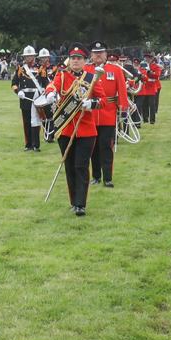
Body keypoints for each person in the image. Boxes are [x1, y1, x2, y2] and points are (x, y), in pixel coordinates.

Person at [42, 47, 100, 216]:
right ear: (69, 60)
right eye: (73, 58)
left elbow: (103, 100)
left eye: (79, 58)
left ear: (84, 61)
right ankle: (73, 201)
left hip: (86, 130)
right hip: (65, 128)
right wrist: (51, 93)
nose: (75, 61)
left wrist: (92, 103)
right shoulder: (62, 76)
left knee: (81, 166)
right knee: (69, 166)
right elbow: (51, 86)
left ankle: (81, 204)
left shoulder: (91, 78)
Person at [88, 42, 129, 188]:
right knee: (92, 147)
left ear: (106, 54)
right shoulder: (86, 70)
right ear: (91, 55)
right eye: (95, 53)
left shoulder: (115, 70)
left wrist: (123, 108)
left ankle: (107, 178)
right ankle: (96, 176)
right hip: (91, 113)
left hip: (108, 113)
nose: (98, 55)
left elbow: (122, 89)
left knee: (106, 146)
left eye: (101, 52)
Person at [11, 45, 45, 151]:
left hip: (36, 98)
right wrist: (18, 91)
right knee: (27, 122)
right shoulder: (20, 68)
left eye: (30, 56)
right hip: (25, 98)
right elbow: (14, 84)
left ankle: (36, 145)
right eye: (27, 56)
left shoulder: (40, 68)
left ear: (34, 56)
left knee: (36, 122)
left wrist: (45, 92)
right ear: (24, 57)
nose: (29, 58)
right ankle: (28, 144)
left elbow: (46, 83)